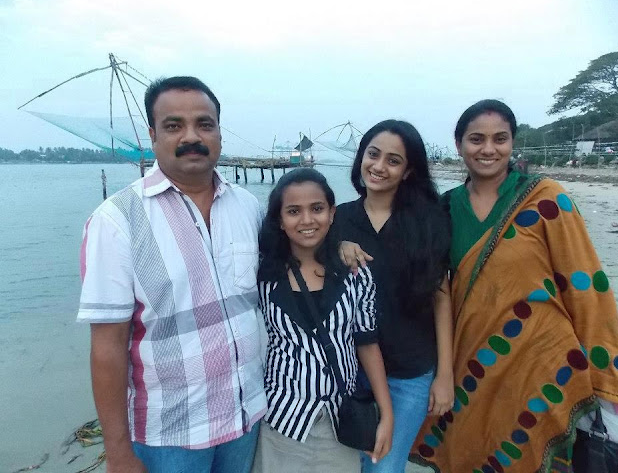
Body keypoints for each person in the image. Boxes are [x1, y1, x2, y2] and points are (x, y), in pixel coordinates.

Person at [410, 99, 618, 472]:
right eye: (476, 139)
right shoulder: (446, 208)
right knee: (477, 447)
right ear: (459, 145)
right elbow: (436, 290)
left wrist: (603, 373)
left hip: (545, 359)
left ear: (512, 143)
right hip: (475, 361)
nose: (488, 149)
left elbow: (585, 287)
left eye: (500, 139)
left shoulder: (545, 199)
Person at [78, 76, 267, 473]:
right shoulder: (117, 220)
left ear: (219, 133)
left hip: (245, 417)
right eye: (174, 125)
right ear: (153, 135)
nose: (191, 136)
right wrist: (118, 453)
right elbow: (108, 347)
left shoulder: (247, 206)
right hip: (169, 437)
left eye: (204, 124)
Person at [252, 168, 393, 472]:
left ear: (332, 213)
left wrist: (386, 413)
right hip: (281, 418)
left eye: (317, 208)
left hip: (339, 420)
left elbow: (367, 343)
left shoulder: (355, 273)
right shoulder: (262, 275)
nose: (307, 220)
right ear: (280, 219)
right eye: (293, 211)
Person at [334, 120, 454, 473]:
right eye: (373, 154)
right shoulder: (337, 219)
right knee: (348, 465)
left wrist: (444, 375)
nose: (379, 166)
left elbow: (441, 298)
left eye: (393, 160)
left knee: (383, 467)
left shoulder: (428, 222)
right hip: (348, 372)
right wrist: (337, 247)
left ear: (408, 171)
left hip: (409, 373)